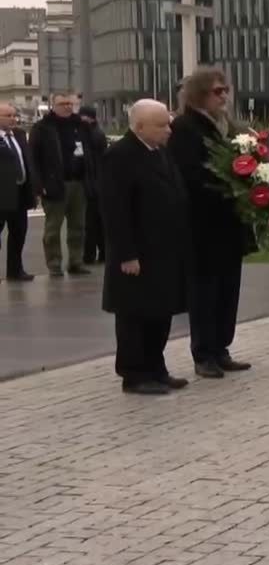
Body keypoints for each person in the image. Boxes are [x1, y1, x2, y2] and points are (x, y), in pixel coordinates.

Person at [168, 66, 254, 379]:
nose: (223, 97)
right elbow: (189, 174)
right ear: (199, 94)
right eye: (217, 91)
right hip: (201, 224)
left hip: (229, 222)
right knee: (204, 289)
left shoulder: (228, 126)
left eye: (225, 90)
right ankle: (203, 352)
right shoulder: (185, 128)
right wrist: (226, 183)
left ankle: (222, 347)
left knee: (228, 288)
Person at [100, 100, 190, 395]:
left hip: (165, 249)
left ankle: (155, 367)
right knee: (135, 315)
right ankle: (134, 374)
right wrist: (127, 254)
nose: (168, 129)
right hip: (137, 253)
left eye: (168, 123)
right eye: (161, 125)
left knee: (160, 312)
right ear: (139, 127)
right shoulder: (120, 156)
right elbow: (115, 210)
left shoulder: (160, 152)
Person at [29, 93, 93, 277]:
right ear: (53, 105)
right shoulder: (42, 128)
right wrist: (39, 185)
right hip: (55, 184)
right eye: (62, 103)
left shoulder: (81, 126)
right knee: (52, 229)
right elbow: (33, 158)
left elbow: (90, 152)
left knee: (78, 227)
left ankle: (76, 261)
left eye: (69, 103)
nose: (66, 107)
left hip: (78, 183)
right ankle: (54, 264)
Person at [0, 102, 35, 282]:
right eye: (9, 116)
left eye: (15, 115)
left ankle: (15, 270)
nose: (14, 119)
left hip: (20, 192)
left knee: (18, 233)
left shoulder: (20, 135)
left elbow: (27, 160)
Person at [78, 105, 108, 266]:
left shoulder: (92, 134)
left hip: (93, 182)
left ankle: (90, 255)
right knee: (97, 221)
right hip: (96, 182)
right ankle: (101, 252)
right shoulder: (96, 132)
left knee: (91, 222)